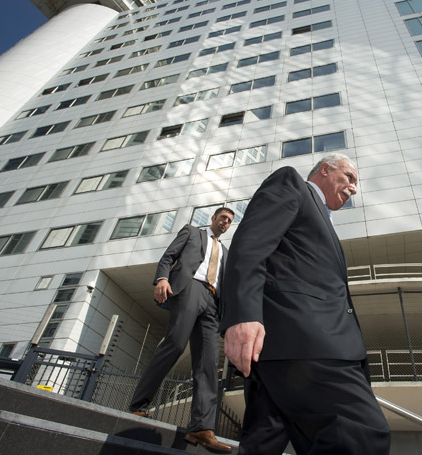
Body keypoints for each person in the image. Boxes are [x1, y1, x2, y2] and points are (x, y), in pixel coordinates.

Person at [220, 154, 391, 455]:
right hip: (307, 344)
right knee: (360, 433)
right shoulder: (291, 184)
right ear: (325, 169)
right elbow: (249, 246)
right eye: (349, 177)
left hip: (281, 356)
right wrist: (241, 315)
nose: (354, 188)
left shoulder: (326, 220)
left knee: (262, 446)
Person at [130, 207, 234, 454]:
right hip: (190, 289)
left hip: (212, 302)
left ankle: (201, 426)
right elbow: (168, 257)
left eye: (230, 221)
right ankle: (139, 404)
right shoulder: (191, 232)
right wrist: (162, 279)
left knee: (208, 362)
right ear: (214, 218)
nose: (226, 222)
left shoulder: (227, 253)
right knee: (175, 344)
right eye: (223, 218)